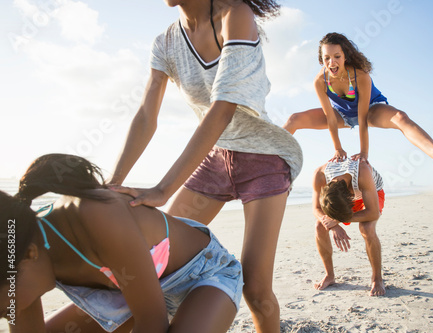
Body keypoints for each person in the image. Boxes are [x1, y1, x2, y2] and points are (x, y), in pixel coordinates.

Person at [108, 1, 302, 332]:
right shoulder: (165, 43)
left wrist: (162, 189)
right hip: (214, 159)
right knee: (158, 261)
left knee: (255, 289)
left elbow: (222, 108)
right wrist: (112, 184)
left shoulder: (234, 16)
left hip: (264, 159)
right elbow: (145, 116)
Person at [0, 153, 243, 333]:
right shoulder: (15, 261)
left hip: (203, 276)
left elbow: (152, 323)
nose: (4, 315)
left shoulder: (95, 216)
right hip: (131, 296)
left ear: (29, 255)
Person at [283, 32, 433, 171]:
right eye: (326, 58)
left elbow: (362, 118)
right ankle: (265, 157)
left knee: (400, 118)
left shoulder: (360, 75)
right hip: (341, 114)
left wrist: (364, 152)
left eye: (337, 56)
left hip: (370, 109)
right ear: (321, 59)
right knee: (294, 119)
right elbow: (330, 116)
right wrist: (338, 148)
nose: (331, 62)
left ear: (345, 56)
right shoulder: (320, 81)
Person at [312, 157, 386, 296]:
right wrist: (333, 225)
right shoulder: (319, 175)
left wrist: (339, 219)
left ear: (350, 195)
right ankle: (330, 276)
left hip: (372, 192)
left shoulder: (362, 172)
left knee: (367, 228)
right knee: (319, 226)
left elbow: (373, 213)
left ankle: (377, 278)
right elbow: (316, 208)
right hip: (340, 197)